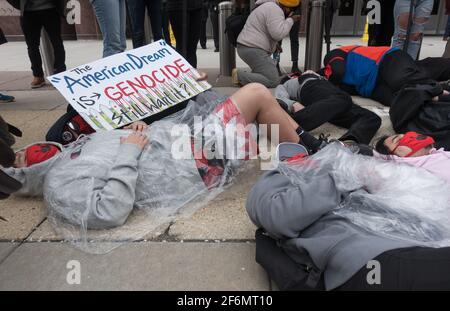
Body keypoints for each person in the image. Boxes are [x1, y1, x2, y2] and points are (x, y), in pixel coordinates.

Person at [4, 82, 324, 229]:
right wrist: (130, 148)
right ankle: (312, 154)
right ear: (23, 179)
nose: (22, 153)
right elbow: (107, 211)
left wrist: (133, 132)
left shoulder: (68, 154)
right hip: (188, 164)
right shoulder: (60, 182)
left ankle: (300, 162)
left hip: (183, 150)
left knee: (259, 125)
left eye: (16, 152)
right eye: (17, 162)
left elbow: (117, 149)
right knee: (255, 96)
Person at [247, 142, 450, 291]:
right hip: (372, 264)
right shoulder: (276, 179)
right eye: (293, 157)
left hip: (408, 249)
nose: (309, 157)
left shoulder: (343, 180)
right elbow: (277, 216)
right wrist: (346, 176)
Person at [321, 45, 450, 107]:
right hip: (373, 87)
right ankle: (441, 96)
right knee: (401, 101)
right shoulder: (340, 86)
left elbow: (338, 70)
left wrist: (325, 81)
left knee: (402, 79)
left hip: (384, 60)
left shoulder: (332, 57)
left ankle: (437, 89)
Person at [275, 71, 381, 145]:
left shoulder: (319, 76)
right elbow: (278, 97)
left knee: (372, 118)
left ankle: (347, 143)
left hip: (329, 105)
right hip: (311, 88)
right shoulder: (289, 83)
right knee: (343, 98)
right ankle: (290, 123)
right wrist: (293, 104)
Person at [233, 0, 301, 88]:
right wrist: (290, 20)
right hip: (253, 49)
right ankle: (239, 76)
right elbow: (278, 34)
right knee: (273, 81)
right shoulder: (275, 9)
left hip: (249, 47)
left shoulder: (269, 6)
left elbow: (266, 29)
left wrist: (274, 45)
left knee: (267, 75)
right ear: (288, 8)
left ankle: (250, 77)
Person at [6, 0, 67, 88]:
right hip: (28, 12)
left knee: (57, 43)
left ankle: (60, 73)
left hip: (51, 9)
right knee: (32, 46)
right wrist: (20, 5)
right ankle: (38, 75)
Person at [374, 131, 450, 184]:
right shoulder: (421, 178)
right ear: (393, 157)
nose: (409, 137)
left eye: (405, 135)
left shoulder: (440, 155)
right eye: (398, 140)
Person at [166, 0, 203, 68]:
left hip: (197, 7)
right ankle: (182, 75)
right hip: (177, 7)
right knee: (182, 45)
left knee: (192, 47)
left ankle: (192, 74)